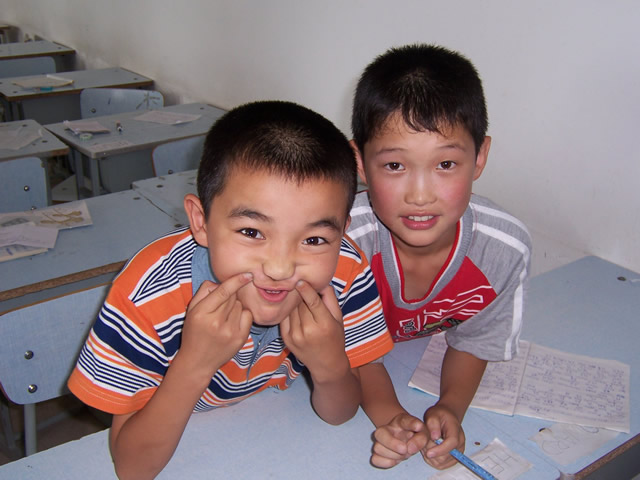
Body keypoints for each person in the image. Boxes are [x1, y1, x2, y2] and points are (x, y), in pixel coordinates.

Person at [68, 100, 393, 480]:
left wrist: (330, 365)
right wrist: (195, 363)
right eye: (252, 232)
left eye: (315, 239)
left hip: (268, 433)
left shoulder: (345, 268)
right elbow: (132, 468)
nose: (280, 269)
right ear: (201, 222)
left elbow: (339, 415)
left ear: (341, 230)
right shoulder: (149, 294)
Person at [348, 44, 532, 470]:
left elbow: (475, 340)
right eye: (395, 166)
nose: (420, 195)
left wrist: (451, 406)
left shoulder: (503, 250)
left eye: (445, 164)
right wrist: (390, 415)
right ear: (360, 162)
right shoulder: (340, 245)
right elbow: (354, 352)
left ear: (479, 157)